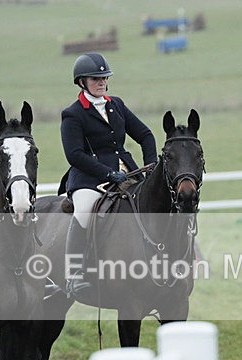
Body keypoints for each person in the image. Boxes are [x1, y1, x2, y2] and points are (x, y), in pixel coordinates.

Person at [60, 52, 157, 298]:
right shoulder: (72, 114)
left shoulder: (117, 105)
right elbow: (74, 155)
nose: (102, 82)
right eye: (96, 79)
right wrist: (107, 173)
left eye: (104, 78)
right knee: (83, 212)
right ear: (82, 82)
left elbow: (146, 135)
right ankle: (74, 275)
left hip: (127, 172)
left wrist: (151, 164)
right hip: (89, 178)